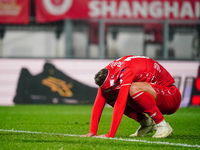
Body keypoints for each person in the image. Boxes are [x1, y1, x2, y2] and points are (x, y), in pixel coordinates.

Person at [81, 55, 181, 138]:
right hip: (157, 94)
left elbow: (121, 103)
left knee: (133, 89)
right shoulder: (110, 72)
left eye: (107, 88)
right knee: (111, 96)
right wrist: (92, 132)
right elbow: (99, 102)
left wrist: (110, 134)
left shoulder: (126, 71)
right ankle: (146, 123)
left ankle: (162, 124)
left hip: (171, 96)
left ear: (111, 81)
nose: (106, 90)